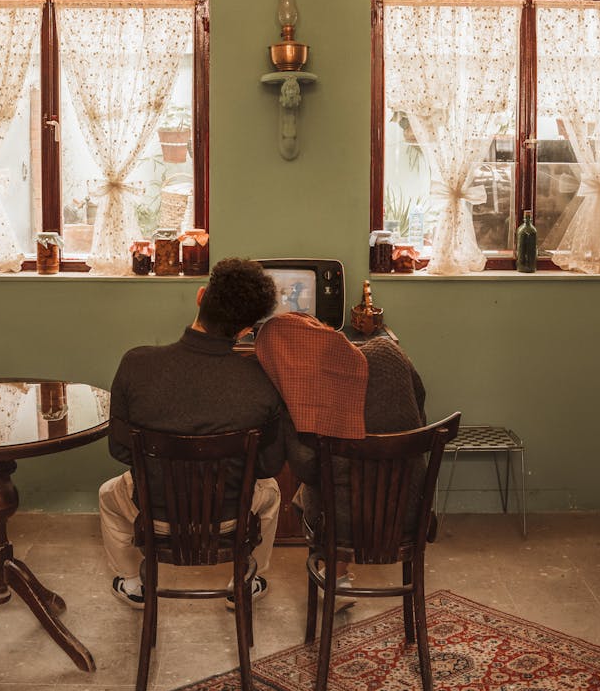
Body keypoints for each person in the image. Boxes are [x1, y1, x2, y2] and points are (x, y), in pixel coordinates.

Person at [100, 257, 285, 610]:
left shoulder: (135, 363)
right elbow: (268, 466)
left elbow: (120, 450)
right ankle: (244, 579)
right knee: (272, 491)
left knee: (109, 494)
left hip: (155, 517)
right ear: (246, 329)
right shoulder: (262, 381)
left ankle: (133, 582)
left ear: (201, 296)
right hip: (230, 518)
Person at [255, 312, 427, 595]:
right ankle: (338, 575)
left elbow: (307, 470)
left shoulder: (298, 395)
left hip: (342, 525)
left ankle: (334, 577)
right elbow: (419, 416)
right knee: (350, 477)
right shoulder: (388, 352)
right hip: (408, 513)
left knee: (318, 487)